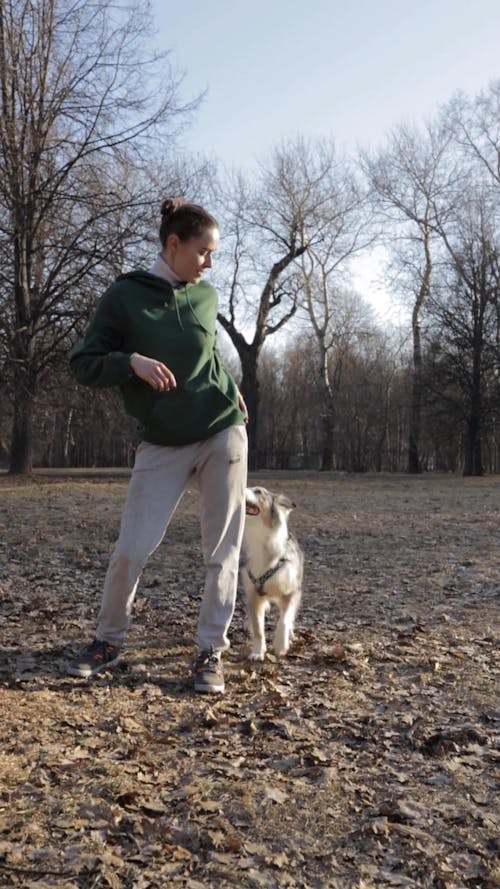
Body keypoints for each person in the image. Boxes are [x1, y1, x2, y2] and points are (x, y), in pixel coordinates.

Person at [67, 198, 248, 694]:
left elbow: (207, 351)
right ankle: (107, 640)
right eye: (204, 252)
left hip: (220, 430)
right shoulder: (126, 296)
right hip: (163, 443)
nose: (210, 263)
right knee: (132, 548)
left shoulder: (205, 297)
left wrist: (230, 386)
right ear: (173, 244)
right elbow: (83, 362)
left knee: (222, 550)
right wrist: (131, 362)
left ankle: (211, 650)